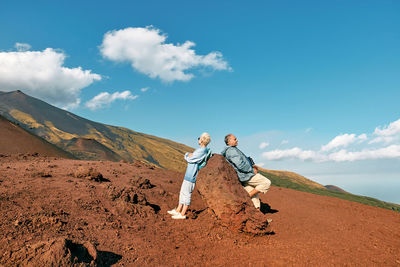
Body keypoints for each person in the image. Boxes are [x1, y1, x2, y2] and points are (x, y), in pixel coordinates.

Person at [168, 132, 212, 219]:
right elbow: (191, 157)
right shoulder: (200, 150)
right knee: (182, 192)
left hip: (192, 175)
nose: (198, 139)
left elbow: (190, 159)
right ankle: (178, 210)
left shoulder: (202, 151)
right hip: (189, 174)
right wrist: (189, 155)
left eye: (199, 138)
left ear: (202, 140)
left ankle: (183, 214)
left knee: (187, 194)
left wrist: (187, 154)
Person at [221, 134, 271, 209]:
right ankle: (246, 197)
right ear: (228, 142)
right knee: (266, 182)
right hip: (246, 176)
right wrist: (251, 170)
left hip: (244, 176)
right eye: (235, 139)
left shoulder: (233, 150)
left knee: (255, 198)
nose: (237, 140)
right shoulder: (231, 151)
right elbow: (240, 165)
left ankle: (257, 216)